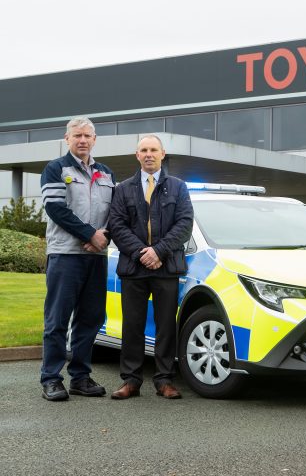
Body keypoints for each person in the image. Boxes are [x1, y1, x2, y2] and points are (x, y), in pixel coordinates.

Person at [108, 134, 193, 400]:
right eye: (143, 150)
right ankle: (131, 381)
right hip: (134, 267)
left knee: (166, 325)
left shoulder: (179, 187)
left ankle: (164, 380)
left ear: (162, 154)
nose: (148, 154)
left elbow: (184, 224)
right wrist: (140, 253)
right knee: (132, 324)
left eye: (153, 150)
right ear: (137, 155)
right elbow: (117, 225)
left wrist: (159, 251)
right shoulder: (123, 189)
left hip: (166, 266)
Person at [39, 117, 115, 401]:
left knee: (90, 318)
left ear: (94, 139)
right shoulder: (55, 169)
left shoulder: (106, 172)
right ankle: (51, 378)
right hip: (65, 255)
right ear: (67, 138)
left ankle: (80, 377)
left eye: (87, 135)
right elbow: (57, 209)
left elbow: (114, 214)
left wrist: (102, 237)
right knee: (57, 319)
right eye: (77, 135)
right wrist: (89, 234)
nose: (82, 140)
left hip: (96, 257)